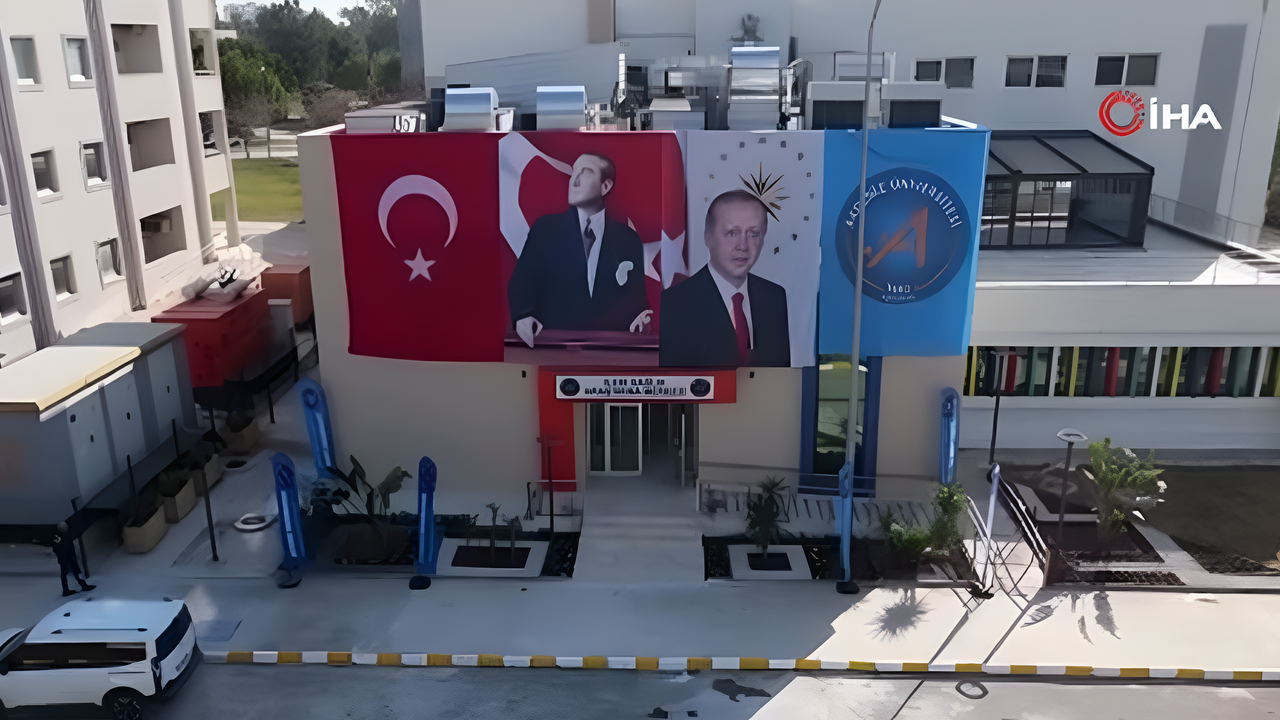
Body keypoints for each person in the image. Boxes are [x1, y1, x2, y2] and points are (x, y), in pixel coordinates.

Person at [506, 152, 650, 347]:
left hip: (611, 351)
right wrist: (523, 316)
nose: (574, 180)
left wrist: (640, 318)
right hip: (552, 348)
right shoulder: (546, 229)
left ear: (605, 186)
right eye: (574, 172)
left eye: (586, 172)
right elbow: (522, 282)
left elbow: (637, 301)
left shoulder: (628, 239)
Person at [659, 190, 790, 367]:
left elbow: (779, 376)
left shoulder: (774, 297)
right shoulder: (674, 303)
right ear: (708, 237)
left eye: (752, 234)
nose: (743, 246)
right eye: (731, 233)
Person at [49, 522, 95, 597]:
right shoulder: (58, 536)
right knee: (66, 573)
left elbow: (68, 545)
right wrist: (63, 554)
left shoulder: (64, 535)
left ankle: (82, 586)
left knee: (74, 571)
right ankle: (67, 590)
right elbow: (56, 548)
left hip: (68, 556)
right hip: (64, 557)